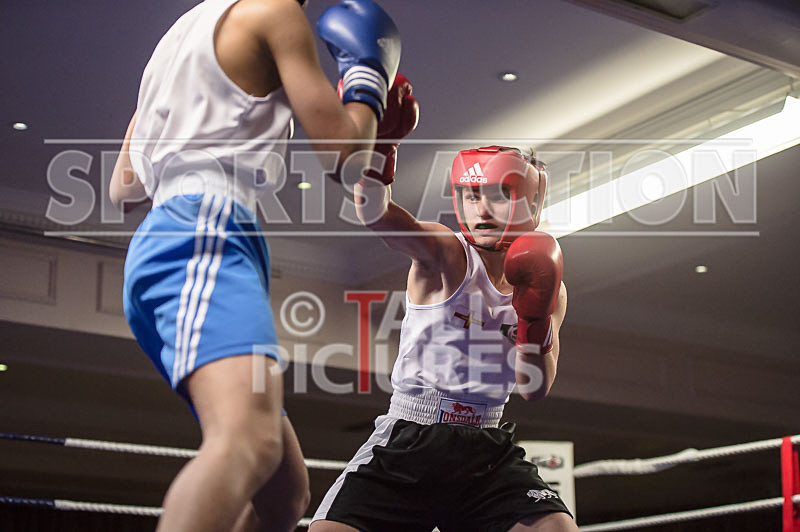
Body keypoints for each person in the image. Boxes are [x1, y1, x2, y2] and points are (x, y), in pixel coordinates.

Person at [108, 0, 401, 530]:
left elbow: (124, 188)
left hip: (174, 238)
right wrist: (368, 82)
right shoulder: (274, 12)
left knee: (284, 492)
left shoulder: (174, 42)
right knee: (248, 441)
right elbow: (344, 152)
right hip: (204, 235)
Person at [310, 92, 578, 530]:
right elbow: (377, 217)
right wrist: (381, 153)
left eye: (498, 195)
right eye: (471, 195)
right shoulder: (447, 254)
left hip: (488, 447)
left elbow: (534, 388)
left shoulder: (552, 288)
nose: (481, 209)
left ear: (531, 201)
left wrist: (534, 324)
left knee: (556, 529)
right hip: (412, 435)